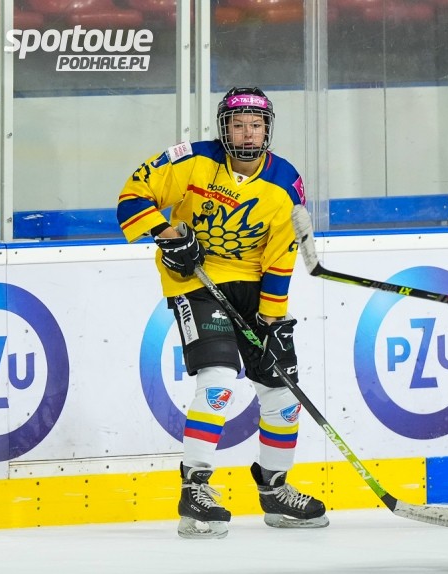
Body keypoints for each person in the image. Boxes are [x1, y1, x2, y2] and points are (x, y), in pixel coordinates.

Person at [117, 86, 328, 539]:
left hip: (253, 287)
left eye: (256, 125)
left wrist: (271, 319)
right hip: (196, 280)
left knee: (282, 392)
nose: (248, 133)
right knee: (218, 381)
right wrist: (168, 233)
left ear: (267, 130)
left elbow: (280, 255)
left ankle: (275, 489)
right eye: (238, 125)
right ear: (224, 129)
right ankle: (194, 489)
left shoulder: (285, 182)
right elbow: (133, 195)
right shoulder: (192, 160)